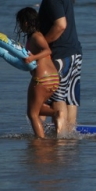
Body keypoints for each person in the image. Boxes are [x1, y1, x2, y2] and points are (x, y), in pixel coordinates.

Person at [22, 0, 82, 136]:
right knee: (71, 98)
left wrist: (42, 46)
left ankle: (60, 140)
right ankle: (69, 137)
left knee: (58, 97)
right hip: (74, 52)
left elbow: (60, 25)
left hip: (61, 54)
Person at [15, 7, 62, 139]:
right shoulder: (34, 37)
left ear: (25, 22)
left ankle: (40, 142)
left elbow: (47, 50)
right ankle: (55, 113)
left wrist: (32, 58)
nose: (19, 26)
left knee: (32, 114)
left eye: (20, 22)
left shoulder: (36, 36)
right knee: (37, 108)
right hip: (52, 78)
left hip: (42, 78)